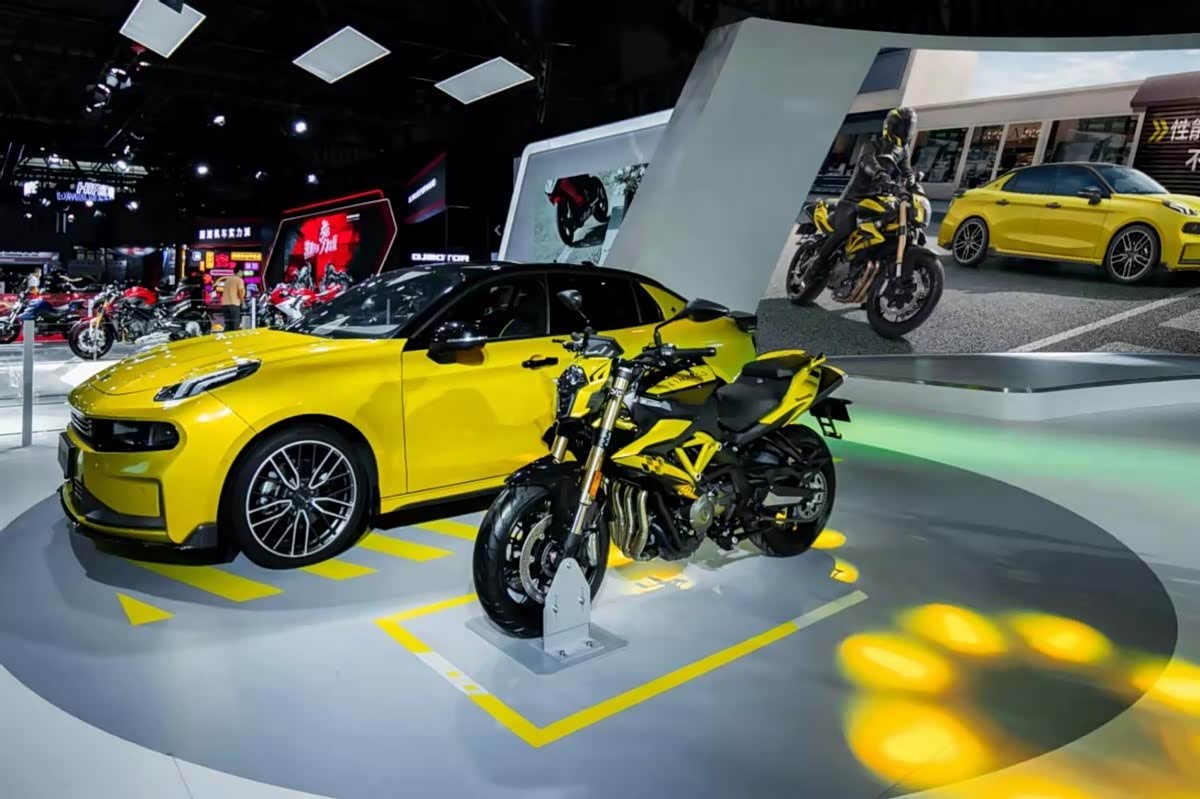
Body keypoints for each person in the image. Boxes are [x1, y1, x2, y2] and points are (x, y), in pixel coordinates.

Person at [819, 107, 917, 265]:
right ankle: (817, 264)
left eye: (909, 127)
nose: (906, 131)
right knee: (842, 232)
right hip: (854, 199)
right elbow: (868, 162)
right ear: (891, 126)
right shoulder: (872, 145)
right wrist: (880, 174)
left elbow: (907, 170)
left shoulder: (903, 150)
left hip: (879, 199)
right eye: (903, 127)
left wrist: (912, 182)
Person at [221, 265, 246, 332]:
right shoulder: (239, 280)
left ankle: (225, 337)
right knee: (235, 326)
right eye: (242, 272)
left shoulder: (228, 279)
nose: (243, 273)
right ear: (239, 271)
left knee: (228, 325)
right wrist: (243, 302)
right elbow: (240, 292)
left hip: (224, 304)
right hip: (234, 304)